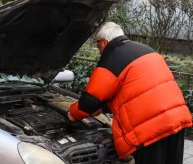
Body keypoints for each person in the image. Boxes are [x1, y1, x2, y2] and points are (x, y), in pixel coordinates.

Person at [67, 22, 193, 164]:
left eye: (98, 46)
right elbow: (136, 90)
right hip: (177, 120)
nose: (99, 51)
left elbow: (91, 99)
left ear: (104, 42)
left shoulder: (112, 57)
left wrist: (72, 113)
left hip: (151, 131)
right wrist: (105, 107)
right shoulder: (146, 49)